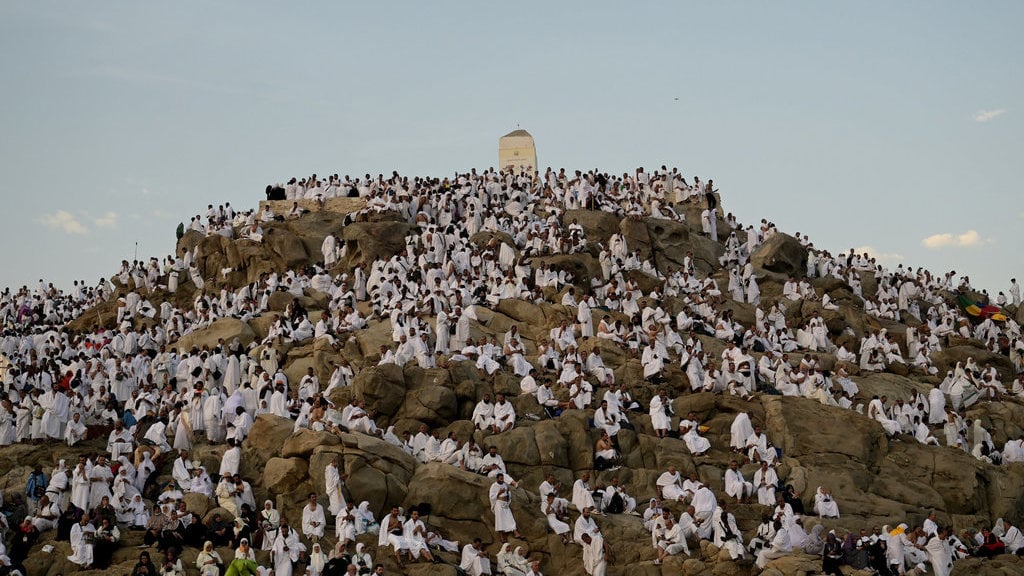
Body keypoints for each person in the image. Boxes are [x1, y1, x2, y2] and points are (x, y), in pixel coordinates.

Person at [490, 473, 521, 542]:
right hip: (498, 504)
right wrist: (499, 492)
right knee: (500, 520)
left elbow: (508, 494)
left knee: (510, 518)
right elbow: (491, 497)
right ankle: (502, 537)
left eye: (503, 478)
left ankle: (516, 533)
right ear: (497, 479)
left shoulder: (504, 484)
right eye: (500, 479)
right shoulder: (494, 486)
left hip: (505, 504)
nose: (502, 480)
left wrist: (507, 492)